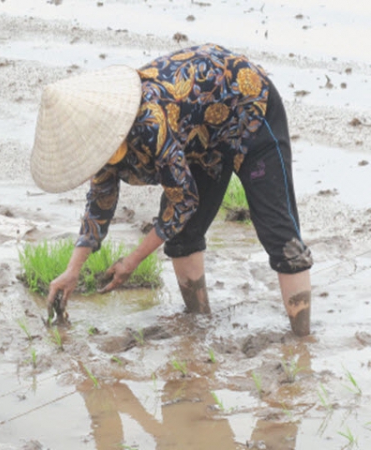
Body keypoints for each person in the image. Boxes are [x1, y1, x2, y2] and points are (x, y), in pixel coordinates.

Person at [30, 43, 313, 336]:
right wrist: (72, 270)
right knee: (183, 237)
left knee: (281, 237)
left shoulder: (150, 123)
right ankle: (199, 326)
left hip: (249, 109)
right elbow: (99, 204)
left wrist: (132, 261)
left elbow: (182, 203)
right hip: (201, 136)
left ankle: (303, 343)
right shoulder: (99, 144)